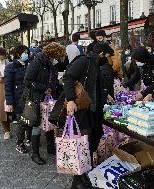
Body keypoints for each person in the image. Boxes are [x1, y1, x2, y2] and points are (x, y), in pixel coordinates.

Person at [63, 42, 106, 189]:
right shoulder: (84, 61)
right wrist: (70, 100)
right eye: (106, 55)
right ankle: (80, 179)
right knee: (81, 142)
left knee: (89, 141)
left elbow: (95, 87)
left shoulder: (95, 64)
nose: (107, 58)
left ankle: (80, 179)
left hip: (92, 110)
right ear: (101, 53)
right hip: (81, 110)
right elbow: (68, 78)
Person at [23, 42, 66, 165]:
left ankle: (51, 148)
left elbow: (52, 80)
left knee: (49, 122)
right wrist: (43, 88)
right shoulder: (36, 63)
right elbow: (27, 81)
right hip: (37, 99)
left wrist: (59, 85)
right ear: (52, 53)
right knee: (36, 125)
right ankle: (35, 153)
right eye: (58, 55)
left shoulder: (50, 63)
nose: (59, 58)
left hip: (49, 98)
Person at [4, 45, 32, 153]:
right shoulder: (10, 67)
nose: (26, 54)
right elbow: (8, 86)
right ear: (18, 54)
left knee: (31, 119)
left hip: (30, 96)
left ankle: (28, 139)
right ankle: (19, 143)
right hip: (18, 98)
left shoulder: (28, 65)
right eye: (24, 52)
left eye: (27, 52)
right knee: (23, 121)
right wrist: (10, 103)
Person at [0, 47, 11, 140]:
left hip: (10, 88)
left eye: (2, 58)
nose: (0, 60)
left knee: (12, 110)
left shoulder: (9, 63)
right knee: (2, 111)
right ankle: (6, 131)